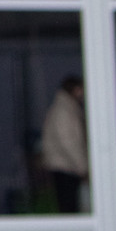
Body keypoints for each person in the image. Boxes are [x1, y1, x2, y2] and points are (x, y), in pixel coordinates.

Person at [39, 75, 89, 214]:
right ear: (75, 89)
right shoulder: (64, 110)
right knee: (68, 208)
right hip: (65, 167)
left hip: (67, 166)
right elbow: (67, 141)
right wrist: (82, 166)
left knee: (69, 206)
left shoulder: (67, 108)